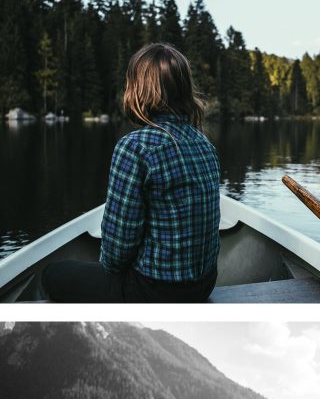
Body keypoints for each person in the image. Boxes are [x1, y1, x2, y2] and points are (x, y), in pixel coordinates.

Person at [42, 43, 220, 303]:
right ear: (184, 90)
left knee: (51, 274)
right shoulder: (205, 145)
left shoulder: (135, 148)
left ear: (139, 89)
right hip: (204, 284)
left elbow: (117, 248)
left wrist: (110, 273)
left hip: (155, 290)